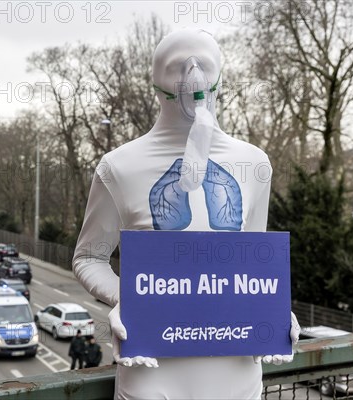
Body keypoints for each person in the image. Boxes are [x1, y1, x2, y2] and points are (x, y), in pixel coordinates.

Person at [72, 29, 300, 399]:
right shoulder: (119, 166)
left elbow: (255, 260)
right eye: (176, 66)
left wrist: (271, 312)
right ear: (156, 79)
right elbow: (88, 257)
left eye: (202, 65)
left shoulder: (254, 164)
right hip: (151, 370)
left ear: (221, 77)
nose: (192, 76)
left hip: (236, 371)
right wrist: (127, 298)